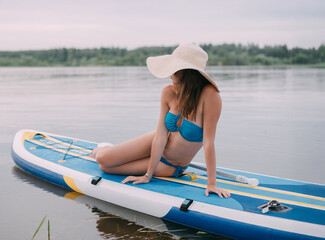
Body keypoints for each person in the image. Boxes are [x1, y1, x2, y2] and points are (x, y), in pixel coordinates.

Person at [90, 43, 231, 198]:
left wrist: (212, 184)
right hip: (155, 141)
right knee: (102, 158)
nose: (170, 73)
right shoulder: (168, 92)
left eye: (173, 68)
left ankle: (109, 150)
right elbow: (161, 135)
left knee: (105, 167)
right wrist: (148, 174)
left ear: (184, 71)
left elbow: (208, 142)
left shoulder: (210, 95)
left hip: (170, 165)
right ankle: (102, 149)